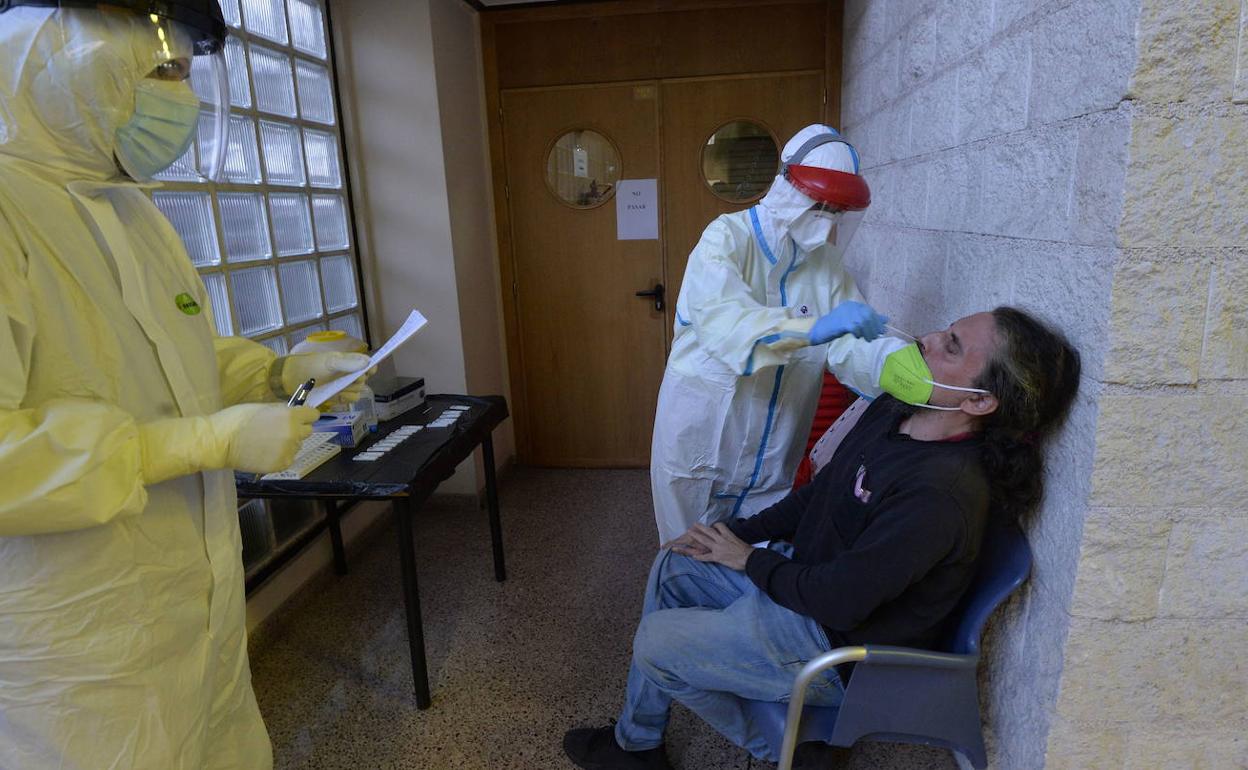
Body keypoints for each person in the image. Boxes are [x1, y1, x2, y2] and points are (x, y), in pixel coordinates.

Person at [0, 3, 370, 767]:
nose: (181, 97)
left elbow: (173, 353)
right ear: (62, 65)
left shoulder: (128, 209)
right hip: (76, 652)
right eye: (162, 70)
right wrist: (193, 443)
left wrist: (275, 372)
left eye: (187, 72)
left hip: (192, 606)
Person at [566, 307, 1081, 768]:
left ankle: (784, 751)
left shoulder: (941, 494)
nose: (926, 339)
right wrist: (732, 534)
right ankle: (638, 745)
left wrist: (748, 559)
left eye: (951, 345)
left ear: (981, 401)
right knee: (676, 565)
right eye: (945, 330)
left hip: (832, 640)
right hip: (805, 580)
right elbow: (821, 492)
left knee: (654, 645)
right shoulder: (898, 410)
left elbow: (839, 601)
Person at [651, 123, 913, 545]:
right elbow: (728, 326)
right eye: (818, 202)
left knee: (755, 551)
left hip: (773, 451)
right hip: (704, 440)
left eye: (836, 210)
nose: (825, 219)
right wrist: (815, 328)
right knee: (689, 552)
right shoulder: (725, 240)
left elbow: (850, 347)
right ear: (786, 184)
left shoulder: (825, 265)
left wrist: (895, 365)